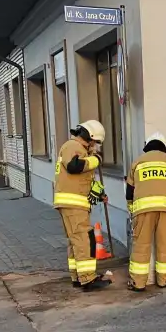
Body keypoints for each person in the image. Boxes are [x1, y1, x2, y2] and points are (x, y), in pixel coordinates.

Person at [53, 120, 110, 291]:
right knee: (84, 239)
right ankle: (88, 278)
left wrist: (99, 194)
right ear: (89, 136)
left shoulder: (77, 149)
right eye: (95, 142)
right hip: (73, 203)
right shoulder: (73, 146)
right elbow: (74, 166)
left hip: (72, 202)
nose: (95, 145)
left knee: (75, 240)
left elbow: (82, 179)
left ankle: (77, 276)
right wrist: (96, 159)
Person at [125, 132, 166, 291]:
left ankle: (138, 282)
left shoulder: (138, 162)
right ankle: (164, 279)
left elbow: (129, 191)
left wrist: (132, 209)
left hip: (143, 210)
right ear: (165, 146)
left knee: (141, 245)